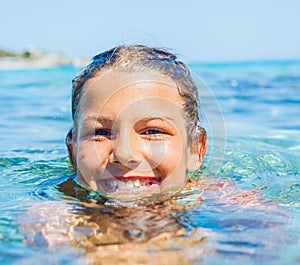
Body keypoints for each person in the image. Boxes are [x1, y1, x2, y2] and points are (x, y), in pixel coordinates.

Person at [65, 44, 207, 205]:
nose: (125, 155)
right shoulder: (51, 219)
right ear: (73, 151)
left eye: (153, 131)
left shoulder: (229, 209)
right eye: (101, 133)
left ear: (195, 150)